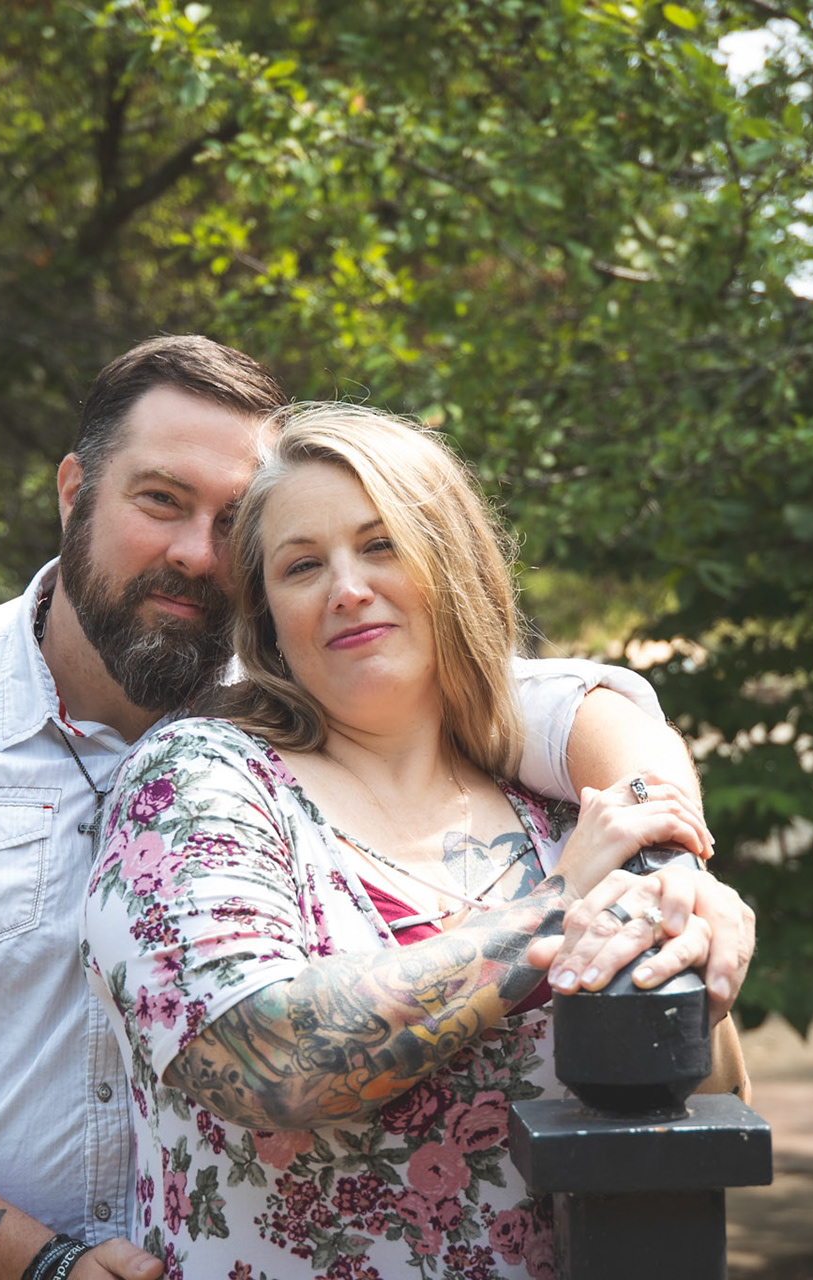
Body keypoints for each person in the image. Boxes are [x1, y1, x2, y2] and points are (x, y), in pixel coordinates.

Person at [0, 337, 755, 1280]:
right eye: (161, 500)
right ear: (74, 492)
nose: (197, 552)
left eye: (234, 523)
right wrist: (40, 1267)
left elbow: (557, 700)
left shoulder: (314, 675)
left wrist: (670, 868)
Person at [82, 403, 750, 1280]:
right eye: (302, 566)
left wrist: (693, 951)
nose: (347, 588)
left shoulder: (559, 807)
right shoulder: (198, 781)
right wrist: (555, 911)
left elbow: (700, 1111)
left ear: (452, 565)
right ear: (268, 618)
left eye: (382, 544)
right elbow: (262, 1056)